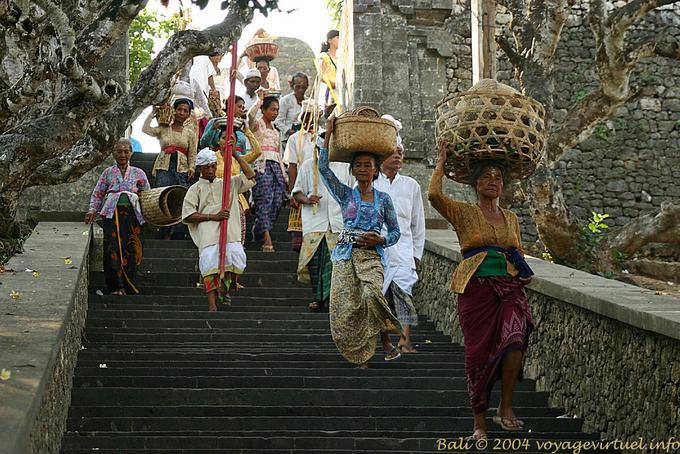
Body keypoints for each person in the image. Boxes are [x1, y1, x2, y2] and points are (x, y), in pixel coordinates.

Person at [428, 145, 535, 440]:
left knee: (515, 341)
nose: (492, 181)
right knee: (478, 355)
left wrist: (522, 271)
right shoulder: (463, 212)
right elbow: (434, 196)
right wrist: (441, 162)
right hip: (476, 290)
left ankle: (506, 407)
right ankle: (479, 423)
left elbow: (517, 250)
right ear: (475, 184)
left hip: (508, 287)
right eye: (486, 177)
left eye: (497, 177)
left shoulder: (511, 218)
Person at [318, 117, 402, 368]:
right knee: (349, 305)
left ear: (376, 169)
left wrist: (382, 239)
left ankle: (386, 339)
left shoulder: (384, 199)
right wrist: (328, 135)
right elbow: (324, 169)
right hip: (345, 254)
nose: (364, 169)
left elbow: (396, 232)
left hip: (372, 256)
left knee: (371, 294)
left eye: (368, 165)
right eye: (359, 165)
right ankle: (361, 355)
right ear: (353, 170)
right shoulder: (345, 194)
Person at [182, 148, 256, 311]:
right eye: (207, 167)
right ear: (200, 168)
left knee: (236, 259)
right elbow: (187, 215)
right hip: (208, 233)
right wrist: (213, 217)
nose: (211, 170)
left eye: (213, 166)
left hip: (230, 231)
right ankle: (212, 305)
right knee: (209, 266)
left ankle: (225, 290)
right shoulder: (194, 189)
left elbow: (251, 176)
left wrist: (235, 155)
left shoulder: (228, 183)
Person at [374, 134, 425, 353]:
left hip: (404, 249)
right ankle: (383, 341)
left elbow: (418, 223)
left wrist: (417, 254)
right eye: (392, 152)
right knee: (380, 296)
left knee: (405, 294)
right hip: (378, 249)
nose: (397, 156)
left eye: (400, 153)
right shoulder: (371, 182)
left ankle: (404, 340)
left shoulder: (411, 185)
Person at [292, 139, 352, 311]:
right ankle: (318, 298)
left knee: (336, 265)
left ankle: (332, 300)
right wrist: (308, 199)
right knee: (315, 264)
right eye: (320, 148)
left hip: (338, 223)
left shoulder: (344, 167)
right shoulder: (307, 166)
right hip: (314, 223)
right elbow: (297, 193)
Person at [86, 139, 150, 295]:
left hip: (132, 216)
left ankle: (130, 285)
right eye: (119, 151)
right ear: (113, 153)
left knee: (132, 248)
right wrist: (92, 210)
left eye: (126, 151)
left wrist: (148, 214)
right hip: (112, 215)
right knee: (112, 249)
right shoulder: (108, 173)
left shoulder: (139, 173)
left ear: (131, 153)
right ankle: (117, 286)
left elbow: (148, 195)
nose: (122, 154)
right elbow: (98, 193)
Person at [142, 97, 198, 239]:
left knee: (179, 197)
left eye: (185, 111)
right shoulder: (164, 127)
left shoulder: (190, 133)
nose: (181, 113)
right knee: (162, 196)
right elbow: (145, 129)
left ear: (188, 114)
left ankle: (177, 231)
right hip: (164, 165)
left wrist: (192, 167)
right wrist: (153, 113)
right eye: (179, 109)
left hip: (182, 167)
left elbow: (192, 152)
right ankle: (162, 229)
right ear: (174, 110)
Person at [249, 95, 287, 252]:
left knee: (277, 200)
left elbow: (279, 154)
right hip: (262, 167)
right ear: (263, 110)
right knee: (265, 199)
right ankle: (266, 237)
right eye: (272, 109)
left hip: (276, 167)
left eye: (277, 110)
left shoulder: (276, 131)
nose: (275, 112)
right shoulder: (258, 126)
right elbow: (250, 116)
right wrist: (259, 100)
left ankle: (259, 229)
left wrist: (285, 176)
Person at [283, 103, 317, 251]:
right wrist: (292, 193)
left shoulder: (322, 136)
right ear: (301, 117)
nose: (309, 119)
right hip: (301, 184)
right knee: (298, 241)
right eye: (306, 116)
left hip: (318, 183)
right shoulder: (295, 138)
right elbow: (292, 166)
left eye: (312, 116)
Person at [275, 72, 309, 144]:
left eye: (303, 87)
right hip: (288, 140)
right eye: (298, 86)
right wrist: (289, 131)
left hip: (305, 139)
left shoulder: (309, 102)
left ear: (307, 86)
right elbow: (278, 121)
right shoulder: (285, 101)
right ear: (292, 86)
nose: (300, 90)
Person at [320, 30, 339, 107]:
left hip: (339, 92)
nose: (340, 40)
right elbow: (321, 76)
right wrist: (334, 84)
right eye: (337, 38)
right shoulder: (324, 56)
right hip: (329, 91)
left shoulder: (340, 59)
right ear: (330, 40)